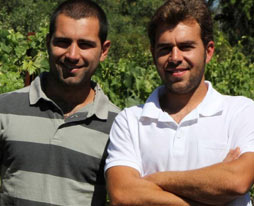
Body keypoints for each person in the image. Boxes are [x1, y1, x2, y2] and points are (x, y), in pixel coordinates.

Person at [0, 0, 120, 205]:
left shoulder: (120, 126)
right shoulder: (2, 110)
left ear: (104, 50)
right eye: (63, 42)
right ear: (48, 42)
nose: (72, 55)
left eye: (85, 44)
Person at [105, 0, 254, 205]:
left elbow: (237, 180)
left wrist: (154, 181)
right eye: (165, 48)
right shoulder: (130, 121)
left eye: (186, 47)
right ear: (153, 53)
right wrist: (212, 186)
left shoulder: (242, 112)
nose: (175, 57)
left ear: (208, 51)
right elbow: (123, 194)